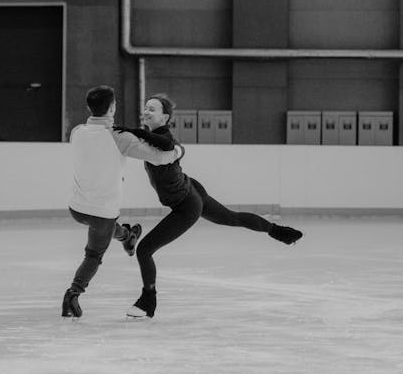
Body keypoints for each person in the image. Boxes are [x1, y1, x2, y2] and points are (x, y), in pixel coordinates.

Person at [114, 94, 303, 318]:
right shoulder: (152, 137)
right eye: (145, 108)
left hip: (187, 206)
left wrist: (135, 131)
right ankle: (277, 231)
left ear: (165, 117)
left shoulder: (163, 136)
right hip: (192, 189)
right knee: (232, 218)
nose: (146, 112)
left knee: (145, 250)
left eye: (152, 109)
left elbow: (167, 145)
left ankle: (148, 301)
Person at [62, 86, 184, 318]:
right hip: (102, 212)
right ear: (112, 107)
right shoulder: (119, 136)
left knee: (107, 228)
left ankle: (128, 237)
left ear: (90, 108)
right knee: (93, 255)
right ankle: (73, 294)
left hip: (76, 207)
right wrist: (178, 151)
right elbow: (158, 157)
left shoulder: (77, 131)